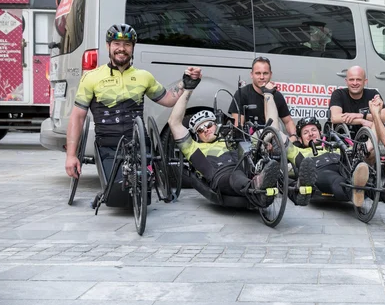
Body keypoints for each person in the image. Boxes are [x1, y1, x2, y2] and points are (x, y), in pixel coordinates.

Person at [64, 23, 201, 205]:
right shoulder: (91, 78)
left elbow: (168, 99)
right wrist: (71, 155)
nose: (122, 48)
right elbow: (77, 117)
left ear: (133, 47)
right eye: (116, 44)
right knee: (118, 196)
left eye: (127, 44)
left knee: (141, 195)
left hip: (137, 142)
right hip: (108, 143)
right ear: (108, 46)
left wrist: (186, 83)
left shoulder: (144, 76)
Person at [266, 87, 385, 208]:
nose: (311, 134)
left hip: (343, 164)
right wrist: (269, 96)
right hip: (320, 170)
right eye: (306, 133)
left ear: (321, 133)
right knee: (337, 180)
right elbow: (275, 132)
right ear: (300, 139)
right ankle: (354, 190)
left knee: (356, 170)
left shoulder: (335, 146)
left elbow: (369, 144)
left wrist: (375, 112)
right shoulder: (298, 151)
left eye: (314, 130)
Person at [167, 74, 284, 208]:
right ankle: (257, 187)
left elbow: (272, 129)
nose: (206, 130)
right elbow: (174, 123)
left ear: (216, 125)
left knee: (268, 135)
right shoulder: (193, 148)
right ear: (197, 135)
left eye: (209, 125)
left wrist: (268, 95)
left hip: (247, 170)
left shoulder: (231, 138)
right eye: (200, 130)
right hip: (221, 177)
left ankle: (295, 188)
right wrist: (189, 89)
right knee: (235, 175)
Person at [228, 56, 298, 144]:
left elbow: (288, 121)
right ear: (251, 75)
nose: (262, 77)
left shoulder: (277, 95)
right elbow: (238, 126)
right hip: (251, 142)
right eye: (258, 73)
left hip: (273, 141)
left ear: (270, 74)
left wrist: (294, 136)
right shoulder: (242, 94)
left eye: (265, 73)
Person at [329, 65, 385, 137]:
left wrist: (362, 115)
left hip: (367, 141)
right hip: (343, 141)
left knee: (376, 124)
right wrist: (361, 121)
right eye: (351, 80)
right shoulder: (338, 94)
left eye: (358, 80)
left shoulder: (373, 94)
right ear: (346, 81)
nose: (355, 83)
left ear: (365, 81)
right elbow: (335, 118)